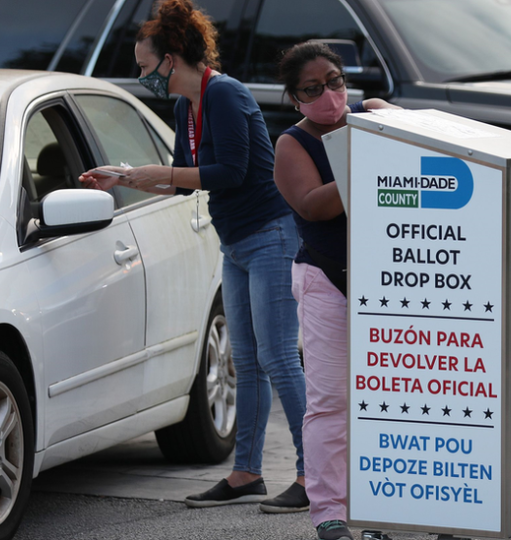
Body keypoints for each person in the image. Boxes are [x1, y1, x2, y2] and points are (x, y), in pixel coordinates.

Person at [79, 0, 308, 514]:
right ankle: (247, 473)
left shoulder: (224, 94)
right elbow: (184, 183)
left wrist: (146, 172)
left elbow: (229, 171)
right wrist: (124, 178)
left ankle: (314, 473)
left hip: (271, 234)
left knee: (276, 358)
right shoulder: (186, 107)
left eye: (144, 66)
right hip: (238, 242)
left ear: (173, 57)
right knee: (244, 361)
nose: (143, 77)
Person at [272, 41, 399, 540]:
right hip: (328, 281)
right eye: (313, 88)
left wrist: (390, 121)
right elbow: (313, 206)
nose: (329, 94)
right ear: (295, 97)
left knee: (390, 397)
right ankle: (330, 512)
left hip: (389, 281)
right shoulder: (292, 144)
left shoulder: (370, 117)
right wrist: (369, 155)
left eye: (336, 81)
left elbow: (421, 132)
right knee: (330, 402)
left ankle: (388, 503)